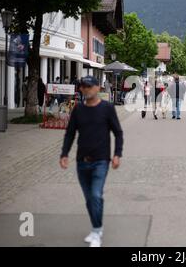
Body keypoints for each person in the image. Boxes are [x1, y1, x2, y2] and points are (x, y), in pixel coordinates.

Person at [60, 76, 123, 248]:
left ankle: (96, 231)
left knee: (95, 195)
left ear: (97, 88)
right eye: (83, 87)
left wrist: (117, 154)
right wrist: (64, 154)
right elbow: (70, 134)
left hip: (101, 161)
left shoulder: (107, 109)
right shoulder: (78, 110)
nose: (85, 89)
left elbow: (118, 132)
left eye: (89, 86)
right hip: (82, 162)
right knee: (90, 199)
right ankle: (97, 227)